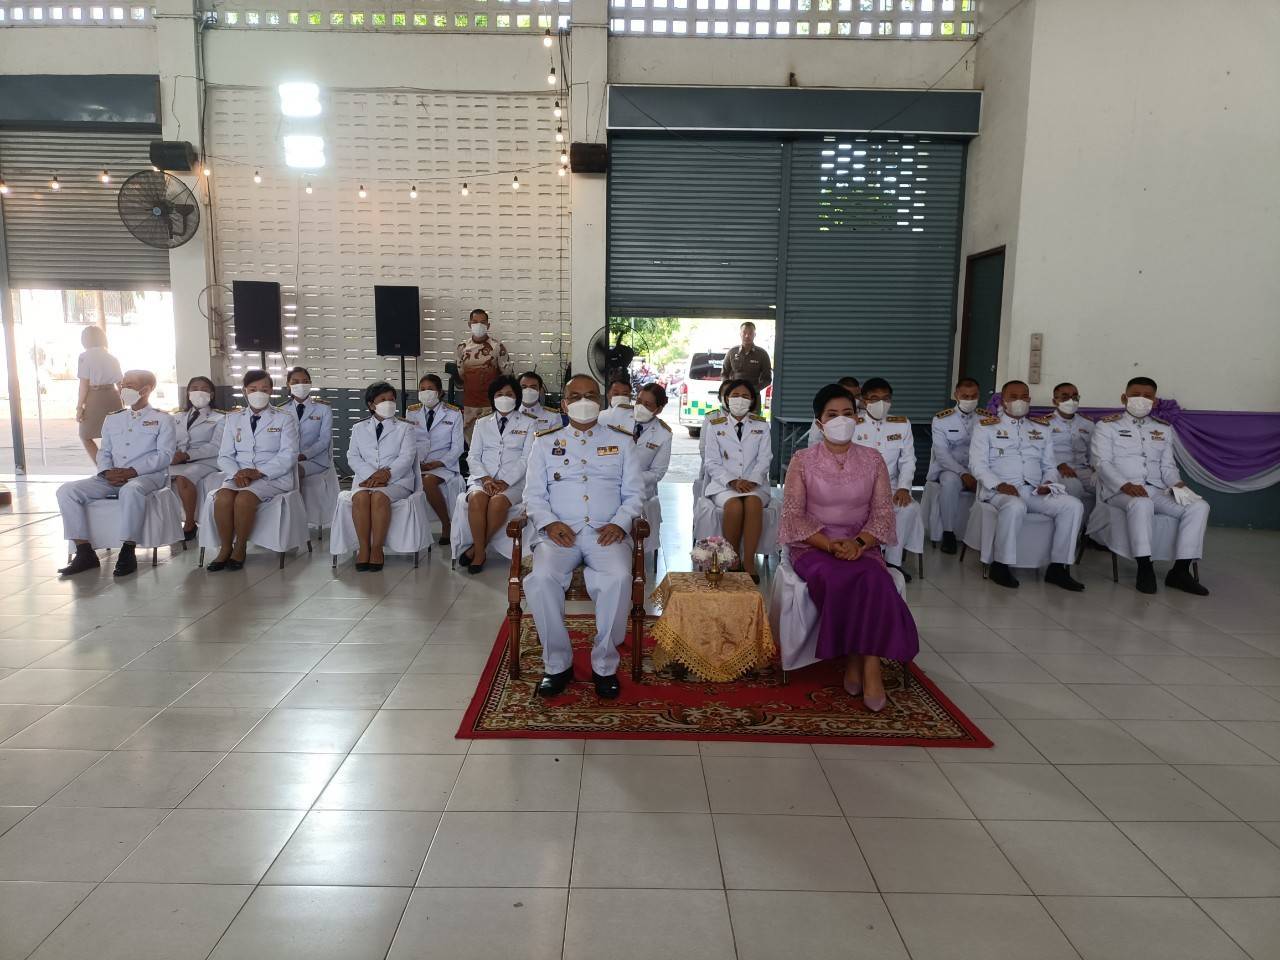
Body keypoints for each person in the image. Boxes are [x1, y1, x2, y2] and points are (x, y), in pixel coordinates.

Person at [780, 384, 920, 712]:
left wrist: (858, 543)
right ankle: (864, 663)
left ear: (856, 418)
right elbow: (792, 516)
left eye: (847, 414)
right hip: (813, 547)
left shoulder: (873, 460)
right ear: (819, 423)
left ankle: (864, 663)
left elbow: (883, 514)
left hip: (861, 545)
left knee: (875, 580)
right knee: (839, 579)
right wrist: (830, 544)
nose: (840, 420)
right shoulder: (802, 461)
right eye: (832, 415)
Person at [523, 374, 645, 699]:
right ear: (563, 404)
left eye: (590, 395)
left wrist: (621, 523)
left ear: (601, 402)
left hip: (607, 533)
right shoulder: (544, 441)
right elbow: (533, 496)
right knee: (541, 578)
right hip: (559, 534)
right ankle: (557, 664)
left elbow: (635, 493)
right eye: (575, 396)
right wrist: (548, 524)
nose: (583, 402)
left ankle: (604, 665)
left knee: (620, 577)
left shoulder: (622, 440)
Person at [1090, 376, 1209, 596]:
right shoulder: (1107, 426)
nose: (1141, 400)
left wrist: (1177, 483)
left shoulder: (1162, 428)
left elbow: (1167, 466)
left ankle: (1180, 571)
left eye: (1147, 396)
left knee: (1199, 507)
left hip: (1155, 489)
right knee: (1141, 504)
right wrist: (1125, 485)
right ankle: (1145, 568)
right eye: (1135, 395)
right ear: (1124, 397)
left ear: (1154, 402)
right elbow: (1101, 463)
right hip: (1118, 491)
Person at [57, 369, 176, 578]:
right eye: (122, 384)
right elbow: (105, 452)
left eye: (129, 385)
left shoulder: (163, 419)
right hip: (111, 477)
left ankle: (128, 551)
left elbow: (164, 456)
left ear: (145, 390)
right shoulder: (113, 418)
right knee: (66, 491)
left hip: (146, 477)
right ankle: (84, 552)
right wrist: (105, 472)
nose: (122, 388)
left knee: (131, 490)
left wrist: (132, 471)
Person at [969, 380, 1085, 591]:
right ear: (1003, 401)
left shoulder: (1041, 429)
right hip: (999, 492)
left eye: (1024, 397)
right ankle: (1001, 565)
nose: (1019, 401)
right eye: (1013, 397)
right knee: (1015, 506)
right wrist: (999, 485)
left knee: (1073, 505)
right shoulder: (985, 428)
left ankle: (1058, 567)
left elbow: (1049, 465)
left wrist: (1048, 483)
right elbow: (977, 465)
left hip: (1034, 490)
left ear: (1030, 400)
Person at [208, 370, 301, 572]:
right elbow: (224, 455)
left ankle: (240, 547)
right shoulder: (233, 419)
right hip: (238, 476)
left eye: (264, 389)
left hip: (272, 477)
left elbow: (289, 455)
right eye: (253, 389)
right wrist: (238, 474)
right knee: (222, 498)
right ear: (244, 391)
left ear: (271, 391)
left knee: (244, 499)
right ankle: (225, 548)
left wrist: (258, 472)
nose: (259, 393)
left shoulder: (284, 418)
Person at [461, 375, 535, 574]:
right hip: (483, 478)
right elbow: (473, 455)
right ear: (492, 398)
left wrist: (505, 481)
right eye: (499, 394)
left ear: (517, 398)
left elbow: (526, 459)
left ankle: (478, 550)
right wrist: (485, 478)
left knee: (497, 503)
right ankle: (479, 550)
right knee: (476, 499)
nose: (504, 398)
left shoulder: (529, 423)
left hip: (514, 482)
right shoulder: (482, 423)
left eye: (509, 394)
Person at [852, 377, 923, 580]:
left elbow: (908, 460)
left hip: (891, 487)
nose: (880, 403)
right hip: (858, 487)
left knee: (909, 508)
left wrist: (904, 487)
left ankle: (892, 561)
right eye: (874, 398)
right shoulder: (853, 424)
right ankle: (864, 554)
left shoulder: (901, 424)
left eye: (886, 398)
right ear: (864, 401)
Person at [703, 378, 771, 583]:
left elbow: (765, 458)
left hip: (755, 484)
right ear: (726, 398)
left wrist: (751, 480)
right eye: (734, 395)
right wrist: (732, 481)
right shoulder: (714, 425)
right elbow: (711, 461)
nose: (739, 400)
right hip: (724, 485)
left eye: (745, 396)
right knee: (734, 506)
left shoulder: (761, 425)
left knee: (753, 502)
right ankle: (731, 559)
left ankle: (748, 561)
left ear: (752, 401)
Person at [346, 382, 418, 572]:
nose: (389, 403)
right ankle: (364, 548)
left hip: (398, 481)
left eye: (392, 400)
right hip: (366, 480)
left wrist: (387, 475)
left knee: (379, 497)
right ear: (371, 405)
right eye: (383, 400)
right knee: (360, 497)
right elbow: (353, 456)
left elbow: (407, 457)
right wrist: (373, 475)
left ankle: (377, 548)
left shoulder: (405, 428)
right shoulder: (359, 428)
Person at [927, 376, 986, 554]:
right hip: (951, 468)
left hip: (979, 467)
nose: (969, 400)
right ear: (956, 395)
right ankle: (949, 533)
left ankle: (981, 535)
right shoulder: (941, 420)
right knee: (950, 482)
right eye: (965, 396)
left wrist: (978, 473)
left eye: (973, 396)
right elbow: (942, 455)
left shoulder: (987, 419)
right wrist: (963, 473)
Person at [405, 373, 464, 546]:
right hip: (418, 464)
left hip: (443, 465)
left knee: (428, 481)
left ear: (439, 391)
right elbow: (408, 442)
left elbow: (457, 447)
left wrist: (439, 463)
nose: (426, 392)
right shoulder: (412, 412)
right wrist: (416, 463)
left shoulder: (453, 414)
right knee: (418, 479)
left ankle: (446, 524)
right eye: (422, 389)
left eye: (430, 389)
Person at [169, 375, 226, 541]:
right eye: (194, 389)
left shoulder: (221, 418)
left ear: (212, 394)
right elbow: (168, 441)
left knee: (184, 478)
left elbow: (216, 446)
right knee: (157, 477)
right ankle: (167, 523)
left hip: (206, 461)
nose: (198, 392)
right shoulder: (176, 418)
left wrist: (187, 455)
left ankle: (189, 523)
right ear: (187, 393)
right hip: (178, 459)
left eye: (204, 389)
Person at [455, 308, 513, 442]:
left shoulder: (497, 347)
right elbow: (462, 374)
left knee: (492, 440)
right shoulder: (462, 348)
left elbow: (507, 375)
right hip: (470, 403)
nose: (478, 325)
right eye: (475, 322)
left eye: (482, 322)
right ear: (469, 324)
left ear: (488, 325)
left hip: (491, 404)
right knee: (471, 442)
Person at [75, 325, 123, 462]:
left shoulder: (84, 357)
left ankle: (103, 468)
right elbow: (120, 384)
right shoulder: (112, 358)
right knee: (114, 436)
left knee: (85, 435)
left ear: (85, 340)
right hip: (113, 397)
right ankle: (116, 467)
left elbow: (83, 384)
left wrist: (79, 407)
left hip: (94, 397)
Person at [282, 366, 333, 485]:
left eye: (305, 382)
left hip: (316, 460)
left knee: (293, 474)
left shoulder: (323, 409)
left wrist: (304, 455)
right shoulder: (282, 410)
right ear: (288, 385)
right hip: (288, 459)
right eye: (295, 382)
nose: (301, 385)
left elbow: (325, 440)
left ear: (310, 384)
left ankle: (295, 504)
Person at [1047, 382, 1095, 506]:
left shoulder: (1087, 424)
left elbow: (1093, 452)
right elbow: (1040, 452)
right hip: (1059, 469)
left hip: (1082, 469)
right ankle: (1076, 524)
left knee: (1107, 487)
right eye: (1065, 397)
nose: (1071, 401)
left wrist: (1096, 468)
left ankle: (1095, 525)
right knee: (1074, 487)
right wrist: (1059, 465)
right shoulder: (1045, 424)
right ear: (1054, 401)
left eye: (1074, 397)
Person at [631, 383, 673, 499]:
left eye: (647, 405)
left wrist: (631, 477)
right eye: (638, 401)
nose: (640, 407)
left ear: (658, 409)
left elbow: (657, 473)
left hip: (642, 492)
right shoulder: (620, 419)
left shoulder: (664, 434)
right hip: (612, 487)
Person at [806, 377, 860, 448]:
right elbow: (814, 439)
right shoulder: (824, 412)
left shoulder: (867, 411)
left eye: (857, 396)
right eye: (833, 415)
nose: (854, 400)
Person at [720, 321, 773, 393]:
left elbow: (767, 379)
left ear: (755, 335)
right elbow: (724, 374)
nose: (747, 336)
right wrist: (730, 388)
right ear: (740, 334)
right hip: (734, 395)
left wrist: (753, 389)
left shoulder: (762, 354)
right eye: (744, 332)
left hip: (753, 395)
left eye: (750, 333)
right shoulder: (732, 352)